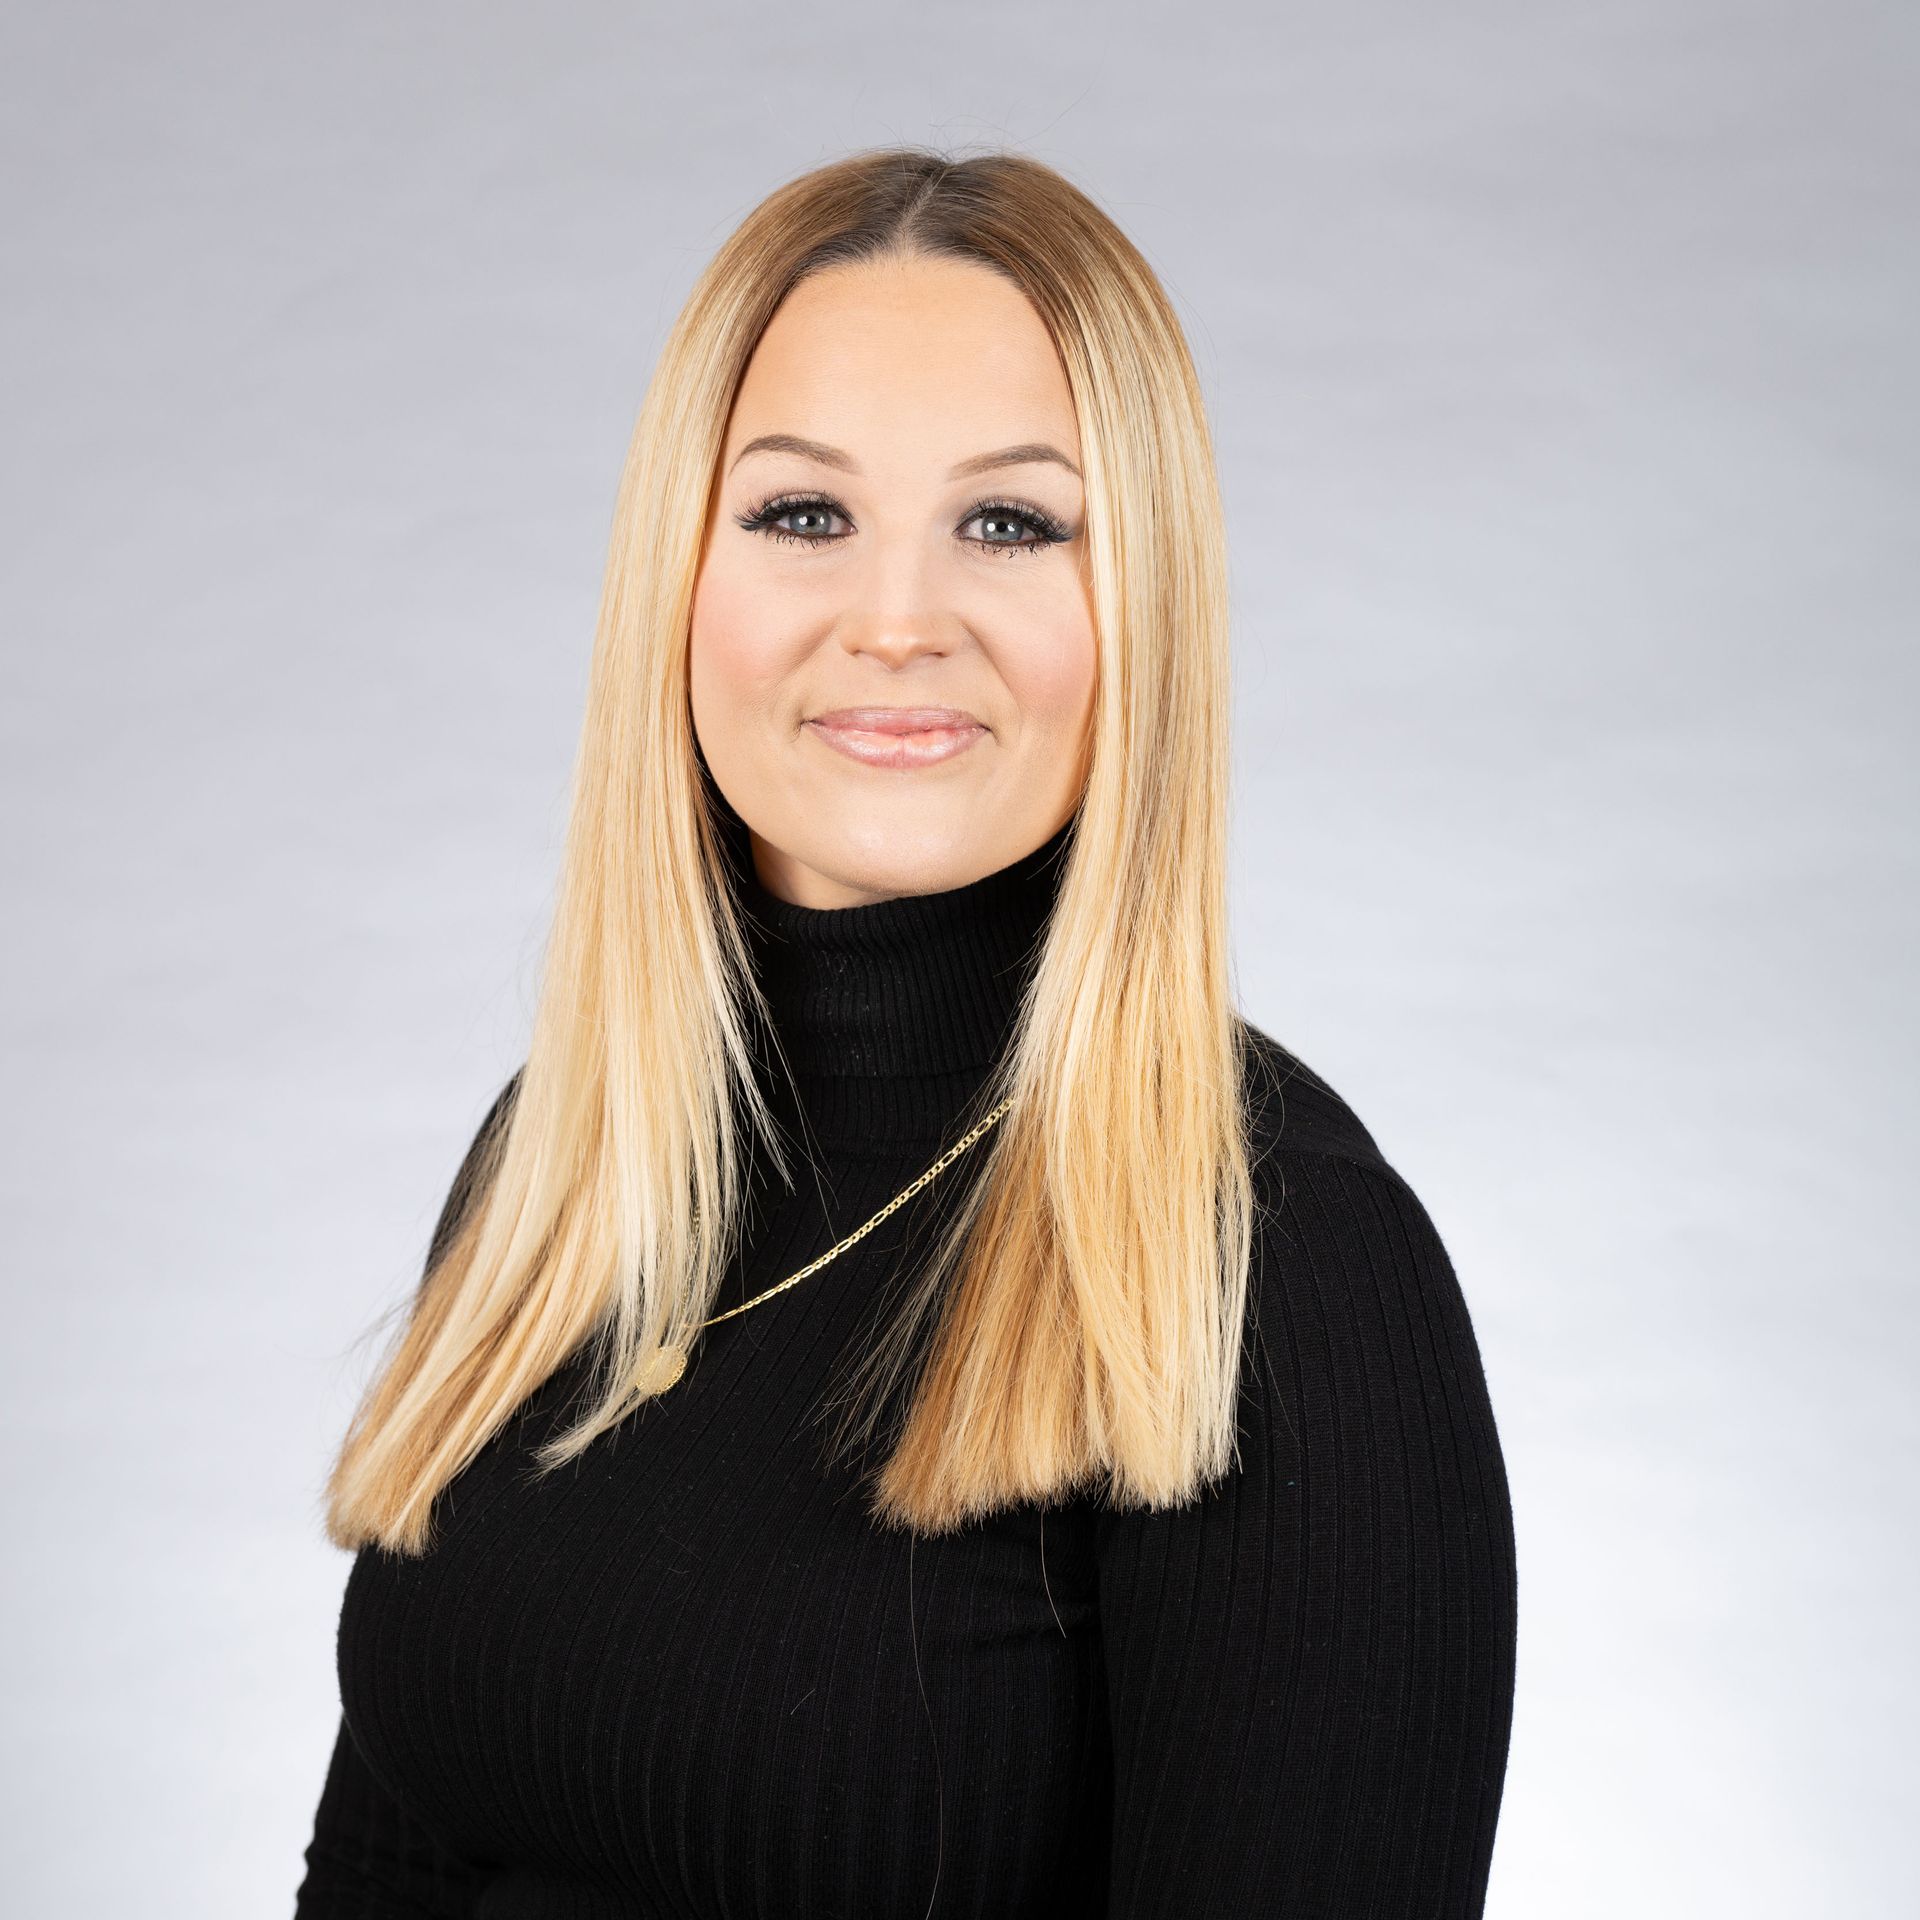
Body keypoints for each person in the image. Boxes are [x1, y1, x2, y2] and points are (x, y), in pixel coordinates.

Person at [292, 145, 1517, 1918]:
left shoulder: (1280, 1263)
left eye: (1011, 523)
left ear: (1140, 609)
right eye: (803, 514)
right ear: (678, 574)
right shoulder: (569, 1157)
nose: (895, 620)